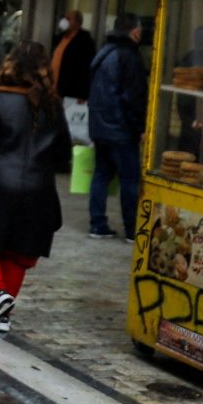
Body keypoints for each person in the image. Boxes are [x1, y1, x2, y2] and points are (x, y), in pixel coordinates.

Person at [0, 41, 71, 334]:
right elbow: (63, 156)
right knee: (18, 252)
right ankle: (3, 314)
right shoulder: (53, 104)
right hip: (38, 190)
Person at [87, 12, 147, 240]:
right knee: (129, 179)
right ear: (135, 32)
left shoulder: (103, 52)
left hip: (100, 126)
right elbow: (133, 98)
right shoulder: (129, 56)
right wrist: (138, 127)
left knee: (101, 174)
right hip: (120, 128)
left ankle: (97, 223)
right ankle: (132, 229)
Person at [49, 10, 95, 104]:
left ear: (78, 23)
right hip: (54, 90)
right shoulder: (59, 39)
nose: (64, 22)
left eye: (68, 19)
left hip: (71, 93)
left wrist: (83, 94)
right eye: (64, 18)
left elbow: (86, 69)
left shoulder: (84, 42)